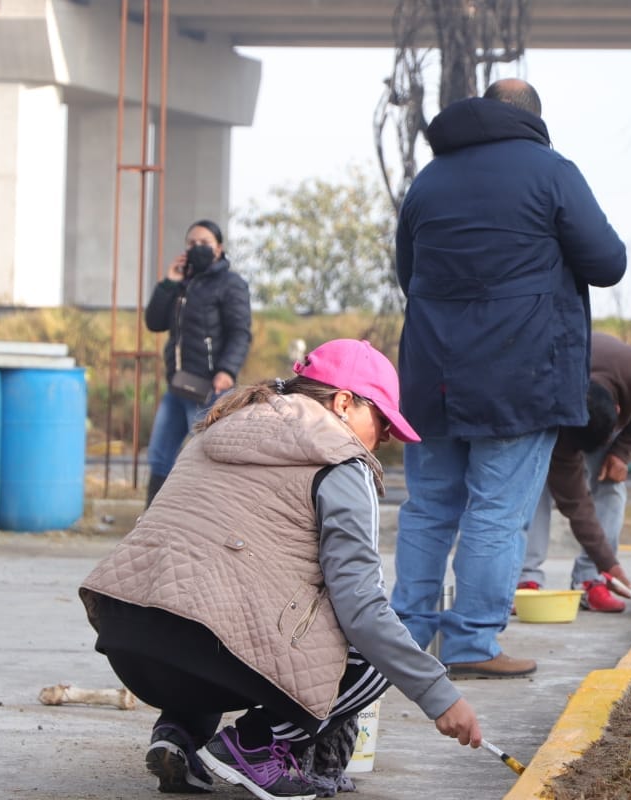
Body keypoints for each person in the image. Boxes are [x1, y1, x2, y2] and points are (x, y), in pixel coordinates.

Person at [79, 339, 482, 800]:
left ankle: (181, 733)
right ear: (344, 403)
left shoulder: (216, 427)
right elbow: (362, 608)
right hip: (205, 646)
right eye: (383, 418)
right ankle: (255, 746)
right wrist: (439, 695)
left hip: (128, 634)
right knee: (371, 655)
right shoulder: (341, 462)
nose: (387, 435)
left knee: (211, 599)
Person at [390, 78, 627, 679]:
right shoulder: (551, 172)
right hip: (518, 376)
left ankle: (405, 637)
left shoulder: (430, 178)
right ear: (533, 119)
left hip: (431, 374)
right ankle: (470, 642)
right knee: (497, 512)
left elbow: (408, 272)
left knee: (427, 509)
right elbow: (608, 263)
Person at [517, 332, 631, 612]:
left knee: (612, 485)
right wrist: (610, 561)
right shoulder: (558, 401)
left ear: (619, 409)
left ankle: (592, 580)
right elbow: (577, 505)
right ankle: (525, 580)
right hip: (550, 404)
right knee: (536, 481)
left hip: (605, 399)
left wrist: (620, 451)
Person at [143, 218, 252, 506]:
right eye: (192, 243)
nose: (198, 248)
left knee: (206, 458)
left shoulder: (231, 284)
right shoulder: (182, 285)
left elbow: (240, 333)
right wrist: (169, 283)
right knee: (160, 456)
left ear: (219, 248)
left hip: (210, 387)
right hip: (178, 385)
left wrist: (227, 370)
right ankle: (153, 523)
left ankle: (208, 519)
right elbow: (154, 322)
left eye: (205, 243)